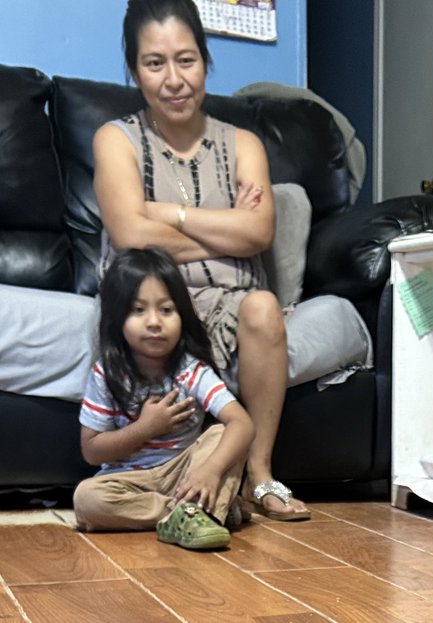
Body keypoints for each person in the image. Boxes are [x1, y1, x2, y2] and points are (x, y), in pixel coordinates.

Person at [92, 0, 310, 520]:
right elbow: (128, 234)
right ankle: (175, 492)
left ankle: (259, 476)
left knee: (262, 305)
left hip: (236, 305)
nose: (174, 79)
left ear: (206, 62)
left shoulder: (243, 144)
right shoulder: (115, 139)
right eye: (154, 63)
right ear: (133, 69)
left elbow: (258, 231)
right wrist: (225, 230)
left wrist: (166, 213)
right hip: (155, 302)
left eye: (186, 60)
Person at [74, 247, 254, 551]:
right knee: (86, 499)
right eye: (138, 310)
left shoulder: (192, 371)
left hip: (187, 473)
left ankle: (198, 507)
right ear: (117, 318)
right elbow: (92, 451)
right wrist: (146, 428)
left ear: (182, 315)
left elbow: (242, 423)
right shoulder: (106, 374)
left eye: (166, 310)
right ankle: (195, 512)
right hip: (129, 481)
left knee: (225, 434)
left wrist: (210, 471)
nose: (154, 322)